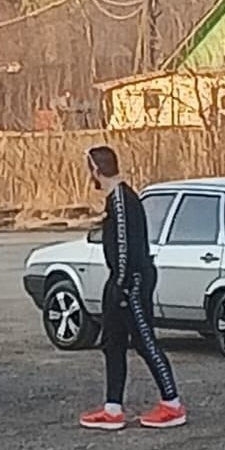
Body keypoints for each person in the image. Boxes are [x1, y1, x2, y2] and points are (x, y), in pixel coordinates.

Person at [79, 146, 187, 432]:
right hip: (118, 280)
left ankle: (172, 403)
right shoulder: (114, 201)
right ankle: (112, 407)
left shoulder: (122, 201)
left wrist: (124, 287)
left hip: (131, 283)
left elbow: (126, 247)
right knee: (112, 342)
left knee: (145, 341)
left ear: (96, 170)